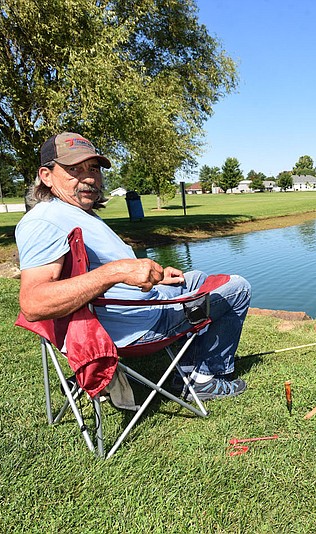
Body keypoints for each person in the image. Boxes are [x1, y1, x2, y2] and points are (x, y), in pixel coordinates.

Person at [15, 132, 250, 400]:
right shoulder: (44, 222)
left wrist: (156, 277)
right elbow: (34, 304)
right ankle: (202, 378)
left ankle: (192, 361)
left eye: (93, 168)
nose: (89, 178)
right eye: (74, 169)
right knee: (237, 288)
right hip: (141, 326)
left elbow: (100, 270)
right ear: (46, 175)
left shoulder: (75, 213)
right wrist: (116, 272)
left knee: (193, 278)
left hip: (138, 306)